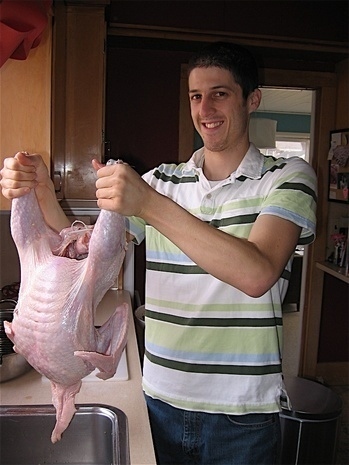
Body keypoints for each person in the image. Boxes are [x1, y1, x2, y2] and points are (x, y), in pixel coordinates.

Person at [1, 42, 317, 464]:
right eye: (195, 96)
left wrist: (148, 204)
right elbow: (84, 254)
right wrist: (40, 188)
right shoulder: (162, 181)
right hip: (161, 402)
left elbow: (257, 273)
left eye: (220, 93)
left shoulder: (288, 176)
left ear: (252, 99)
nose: (205, 109)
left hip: (242, 414)